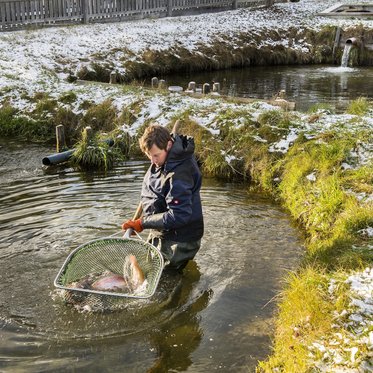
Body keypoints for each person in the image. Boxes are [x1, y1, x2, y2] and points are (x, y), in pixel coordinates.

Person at [121, 124, 204, 272]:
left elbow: (178, 216)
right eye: (149, 156)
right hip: (162, 229)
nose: (152, 161)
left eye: (156, 155)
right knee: (147, 270)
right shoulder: (163, 157)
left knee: (164, 281)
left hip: (180, 239)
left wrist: (142, 223)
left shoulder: (179, 175)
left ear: (169, 145)